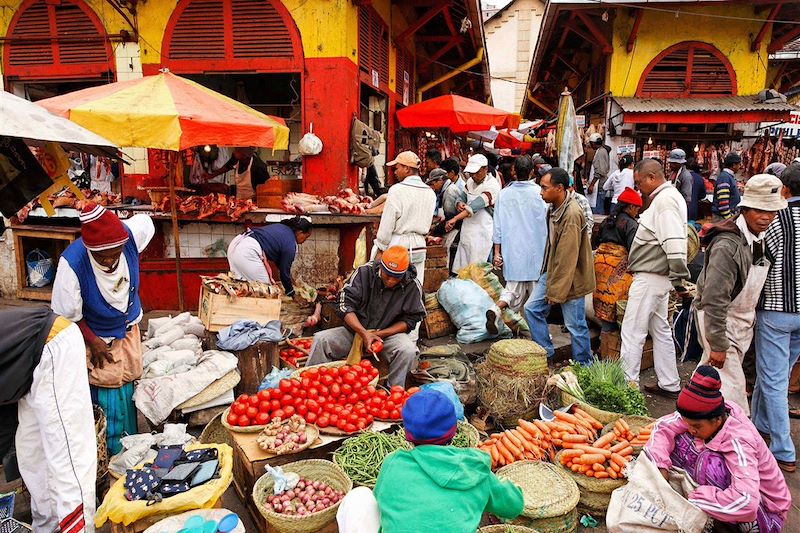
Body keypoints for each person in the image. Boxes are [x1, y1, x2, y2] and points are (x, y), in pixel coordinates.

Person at [336, 389, 523, 533]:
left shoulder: (393, 463)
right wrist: (512, 488)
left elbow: (382, 502)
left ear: (407, 434)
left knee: (358, 496)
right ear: (455, 430)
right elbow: (513, 507)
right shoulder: (475, 468)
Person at [52, 203, 154, 455]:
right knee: (104, 391)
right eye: (101, 255)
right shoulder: (72, 264)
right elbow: (66, 315)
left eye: (115, 252)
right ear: (89, 249)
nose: (109, 260)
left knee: (127, 383)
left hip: (127, 327)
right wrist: (93, 341)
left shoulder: (130, 234)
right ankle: (106, 454)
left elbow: (147, 221)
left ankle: (130, 446)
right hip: (96, 337)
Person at [645, 366, 790, 532]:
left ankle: (720, 524)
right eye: (689, 423)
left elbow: (747, 503)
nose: (692, 429)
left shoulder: (740, 441)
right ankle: (710, 509)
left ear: (717, 420)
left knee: (713, 464)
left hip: (765, 511)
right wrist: (660, 465)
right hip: (728, 497)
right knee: (680, 437)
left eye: (697, 426)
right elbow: (663, 426)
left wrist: (693, 499)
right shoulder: (704, 413)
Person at [694, 174, 785, 417]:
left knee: (708, 384)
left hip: (741, 322)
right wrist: (718, 343)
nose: (766, 217)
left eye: (771, 212)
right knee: (733, 392)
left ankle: (691, 425)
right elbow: (714, 300)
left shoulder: (757, 237)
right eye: (759, 210)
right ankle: (740, 441)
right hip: (721, 321)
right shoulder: (728, 245)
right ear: (745, 208)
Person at [0, 308, 96, 533]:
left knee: (68, 457)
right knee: (32, 457)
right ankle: (47, 527)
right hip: (24, 373)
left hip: (53, 345)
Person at [306, 246, 425, 387]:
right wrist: (363, 333)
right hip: (355, 331)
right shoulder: (364, 273)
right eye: (388, 275)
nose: (391, 281)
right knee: (321, 340)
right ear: (381, 267)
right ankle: (311, 387)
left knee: (408, 350)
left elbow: (411, 319)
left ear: (404, 274)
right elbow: (344, 304)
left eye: (397, 278)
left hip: (386, 336)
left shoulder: (412, 284)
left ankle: (394, 392)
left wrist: (379, 334)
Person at [619, 159, 688, 397]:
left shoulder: (666, 200)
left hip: (651, 276)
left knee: (632, 332)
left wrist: (679, 278)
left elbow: (674, 241)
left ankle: (626, 387)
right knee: (660, 330)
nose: (638, 188)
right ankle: (669, 383)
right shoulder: (668, 198)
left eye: (639, 182)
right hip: (658, 276)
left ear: (651, 177)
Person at [754, 165, 800, 472]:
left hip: (776, 308)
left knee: (773, 379)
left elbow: (761, 256)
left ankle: (783, 449)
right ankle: (759, 425)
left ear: (784, 189)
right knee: (775, 373)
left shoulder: (777, 218)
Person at [524, 167, 595, 364]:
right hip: (553, 272)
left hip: (572, 278)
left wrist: (557, 293)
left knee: (575, 325)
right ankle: (546, 351)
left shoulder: (571, 214)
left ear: (560, 188)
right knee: (531, 308)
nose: (541, 192)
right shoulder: (553, 208)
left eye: (545, 188)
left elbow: (567, 258)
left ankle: (584, 365)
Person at [487, 155, 547, 332]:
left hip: (512, 251)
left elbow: (497, 226)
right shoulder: (540, 193)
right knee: (535, 297)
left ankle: (496, 309)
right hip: (537, 251)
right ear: (531, 172)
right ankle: (535, 333)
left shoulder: (504, 195)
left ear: (514, 172)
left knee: (512, 289)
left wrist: (497, 252)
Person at [373, 151, 437, 293]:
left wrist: (380, 248)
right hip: (419, 245)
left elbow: (387, 224)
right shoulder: (430, 192)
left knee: (392, 288)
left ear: (407, 169)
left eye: (397, 168)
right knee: (415, 286)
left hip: (398, 245)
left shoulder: (397, 190)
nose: (395, 172)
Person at [227, 216, 313, 298]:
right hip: (248, 251)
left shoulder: (282, 228)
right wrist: (292, 293)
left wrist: (291, 281)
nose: (304, 241)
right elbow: (284, 272)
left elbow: (282, 266)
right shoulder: (290, 244)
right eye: (305, 237)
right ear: (300, 232)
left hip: (236, 244)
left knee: (242, 286)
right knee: (266, 291)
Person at [592, 187, 642, 328]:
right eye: (637, 209)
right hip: (618, 270)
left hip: (601, 266)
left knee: (603, 302)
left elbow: (597, 242)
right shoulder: (631, 225)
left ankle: (606, 340)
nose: (637, 212)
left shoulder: (607, 221)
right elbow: (634, 251)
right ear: (631, 206)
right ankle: (613, 345)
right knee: (617, 307)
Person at [447, 154, 502, 273]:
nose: (473, 176)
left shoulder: (492, 186)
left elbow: (473, 207)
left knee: (480, 270)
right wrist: (459, 203)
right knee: (464, 268)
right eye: (471, 173)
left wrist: (455, 219)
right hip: (467, 231)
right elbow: (462, 196)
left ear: (485, 169)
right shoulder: (471, 182)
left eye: (476, 172)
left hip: (483, 232)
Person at [203, 146, 269, 200]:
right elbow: (227, 166)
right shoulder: (237, 158)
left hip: (254, 204)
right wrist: (211, 175)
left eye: (237, 150)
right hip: (239, 200)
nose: (234, 152)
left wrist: (253, 201)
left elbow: (266, 188)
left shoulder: (258, 167)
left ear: (244, 155)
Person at [437, 157, 467, 273]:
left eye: (445, 174)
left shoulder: (456, 188)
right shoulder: (452, 185)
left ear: (452, 173)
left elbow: (453, 214)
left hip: (459, 225)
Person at [712, 153, 742, 221]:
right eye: (739, 164)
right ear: (734, 165)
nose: (740, 166)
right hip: (722, 218)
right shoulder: (725, 177)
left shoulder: (728, 177)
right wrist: (729, 218)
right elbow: (723, 201)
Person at [586, 132, 611, 214]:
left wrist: (592, 185)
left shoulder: (601, 152)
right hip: (600, 184)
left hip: (599, 184)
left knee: (598, 209)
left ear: (593, 143)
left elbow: (599, 171)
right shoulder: (601, 151)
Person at [686, 158, 707, 223]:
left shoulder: (680, 176)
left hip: (679, 209)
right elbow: (702, 195)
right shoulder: (698, 178)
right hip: (692, 210)